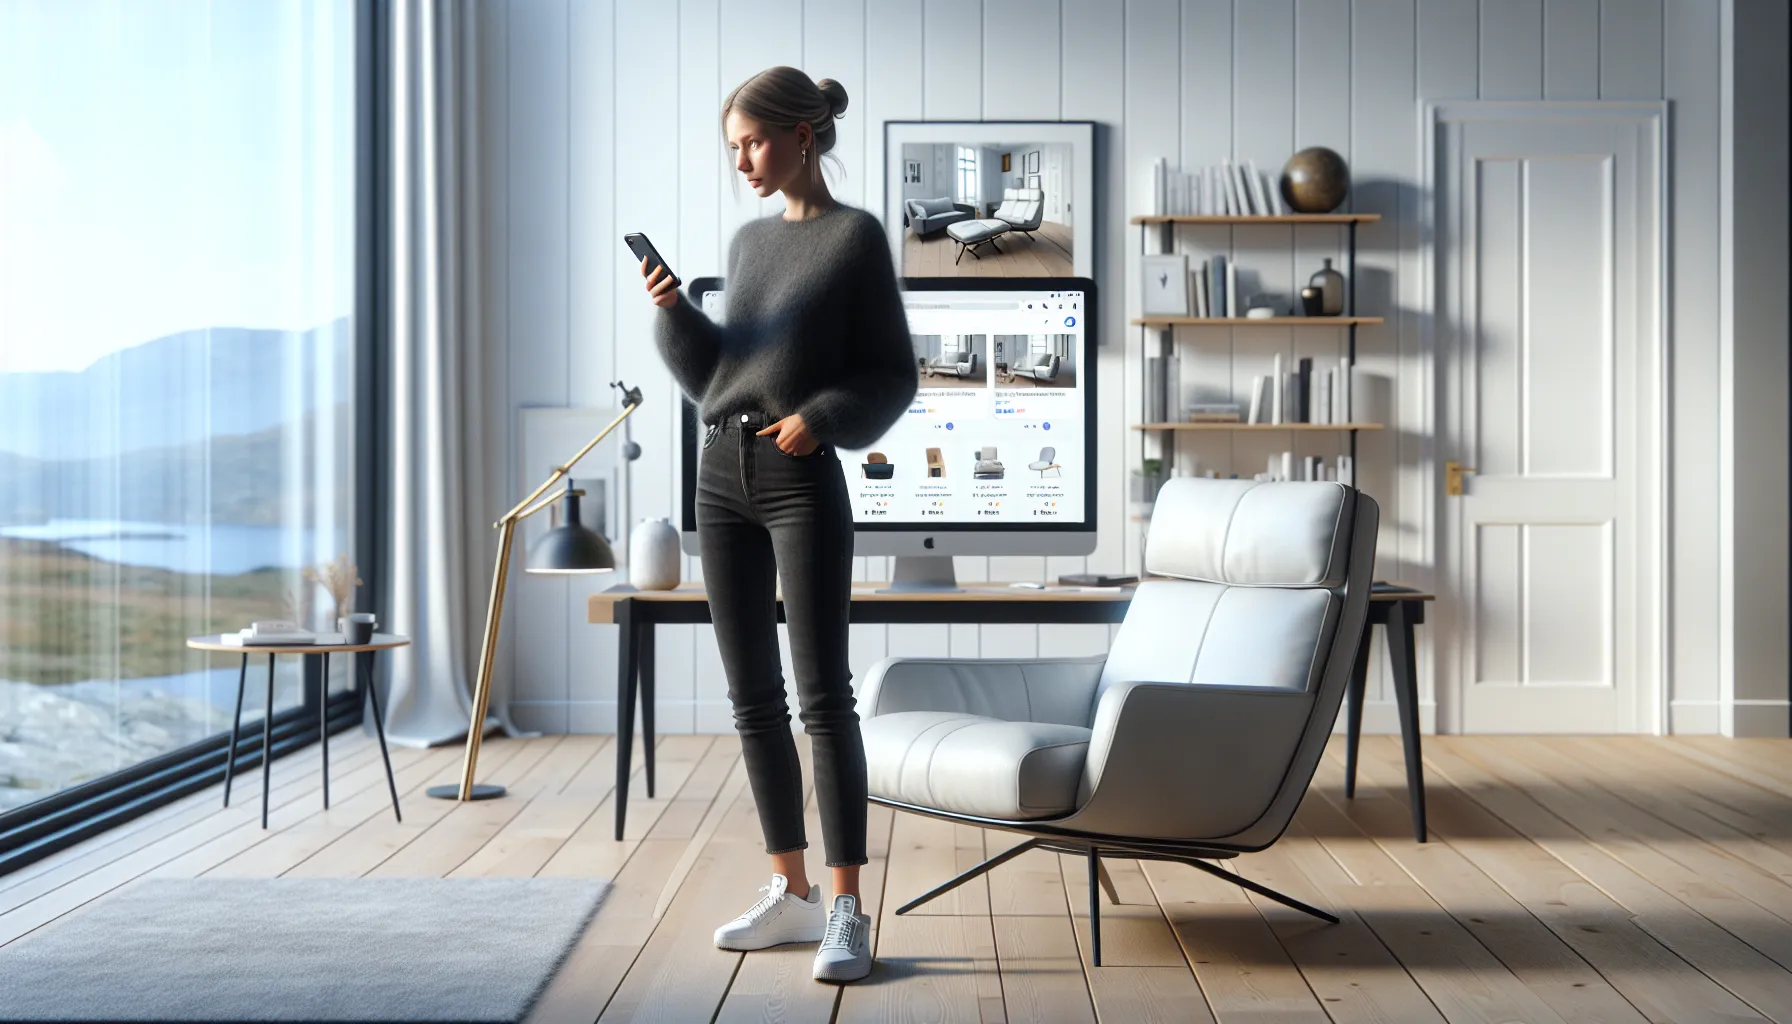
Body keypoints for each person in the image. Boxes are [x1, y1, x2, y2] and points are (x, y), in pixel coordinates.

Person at [643, 66, 917, 984]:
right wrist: (676, 314)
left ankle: (846, 907)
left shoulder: (856, 239)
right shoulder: (752, 245)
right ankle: (790, 892)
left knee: (822, 697)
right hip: (719, 472)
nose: (744, 162)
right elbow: (721, 375)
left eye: (755, 142)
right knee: (751, 699)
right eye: (733, 149)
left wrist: (825, 417)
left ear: (805, 134)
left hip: (801, 477)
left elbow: (892, 375)